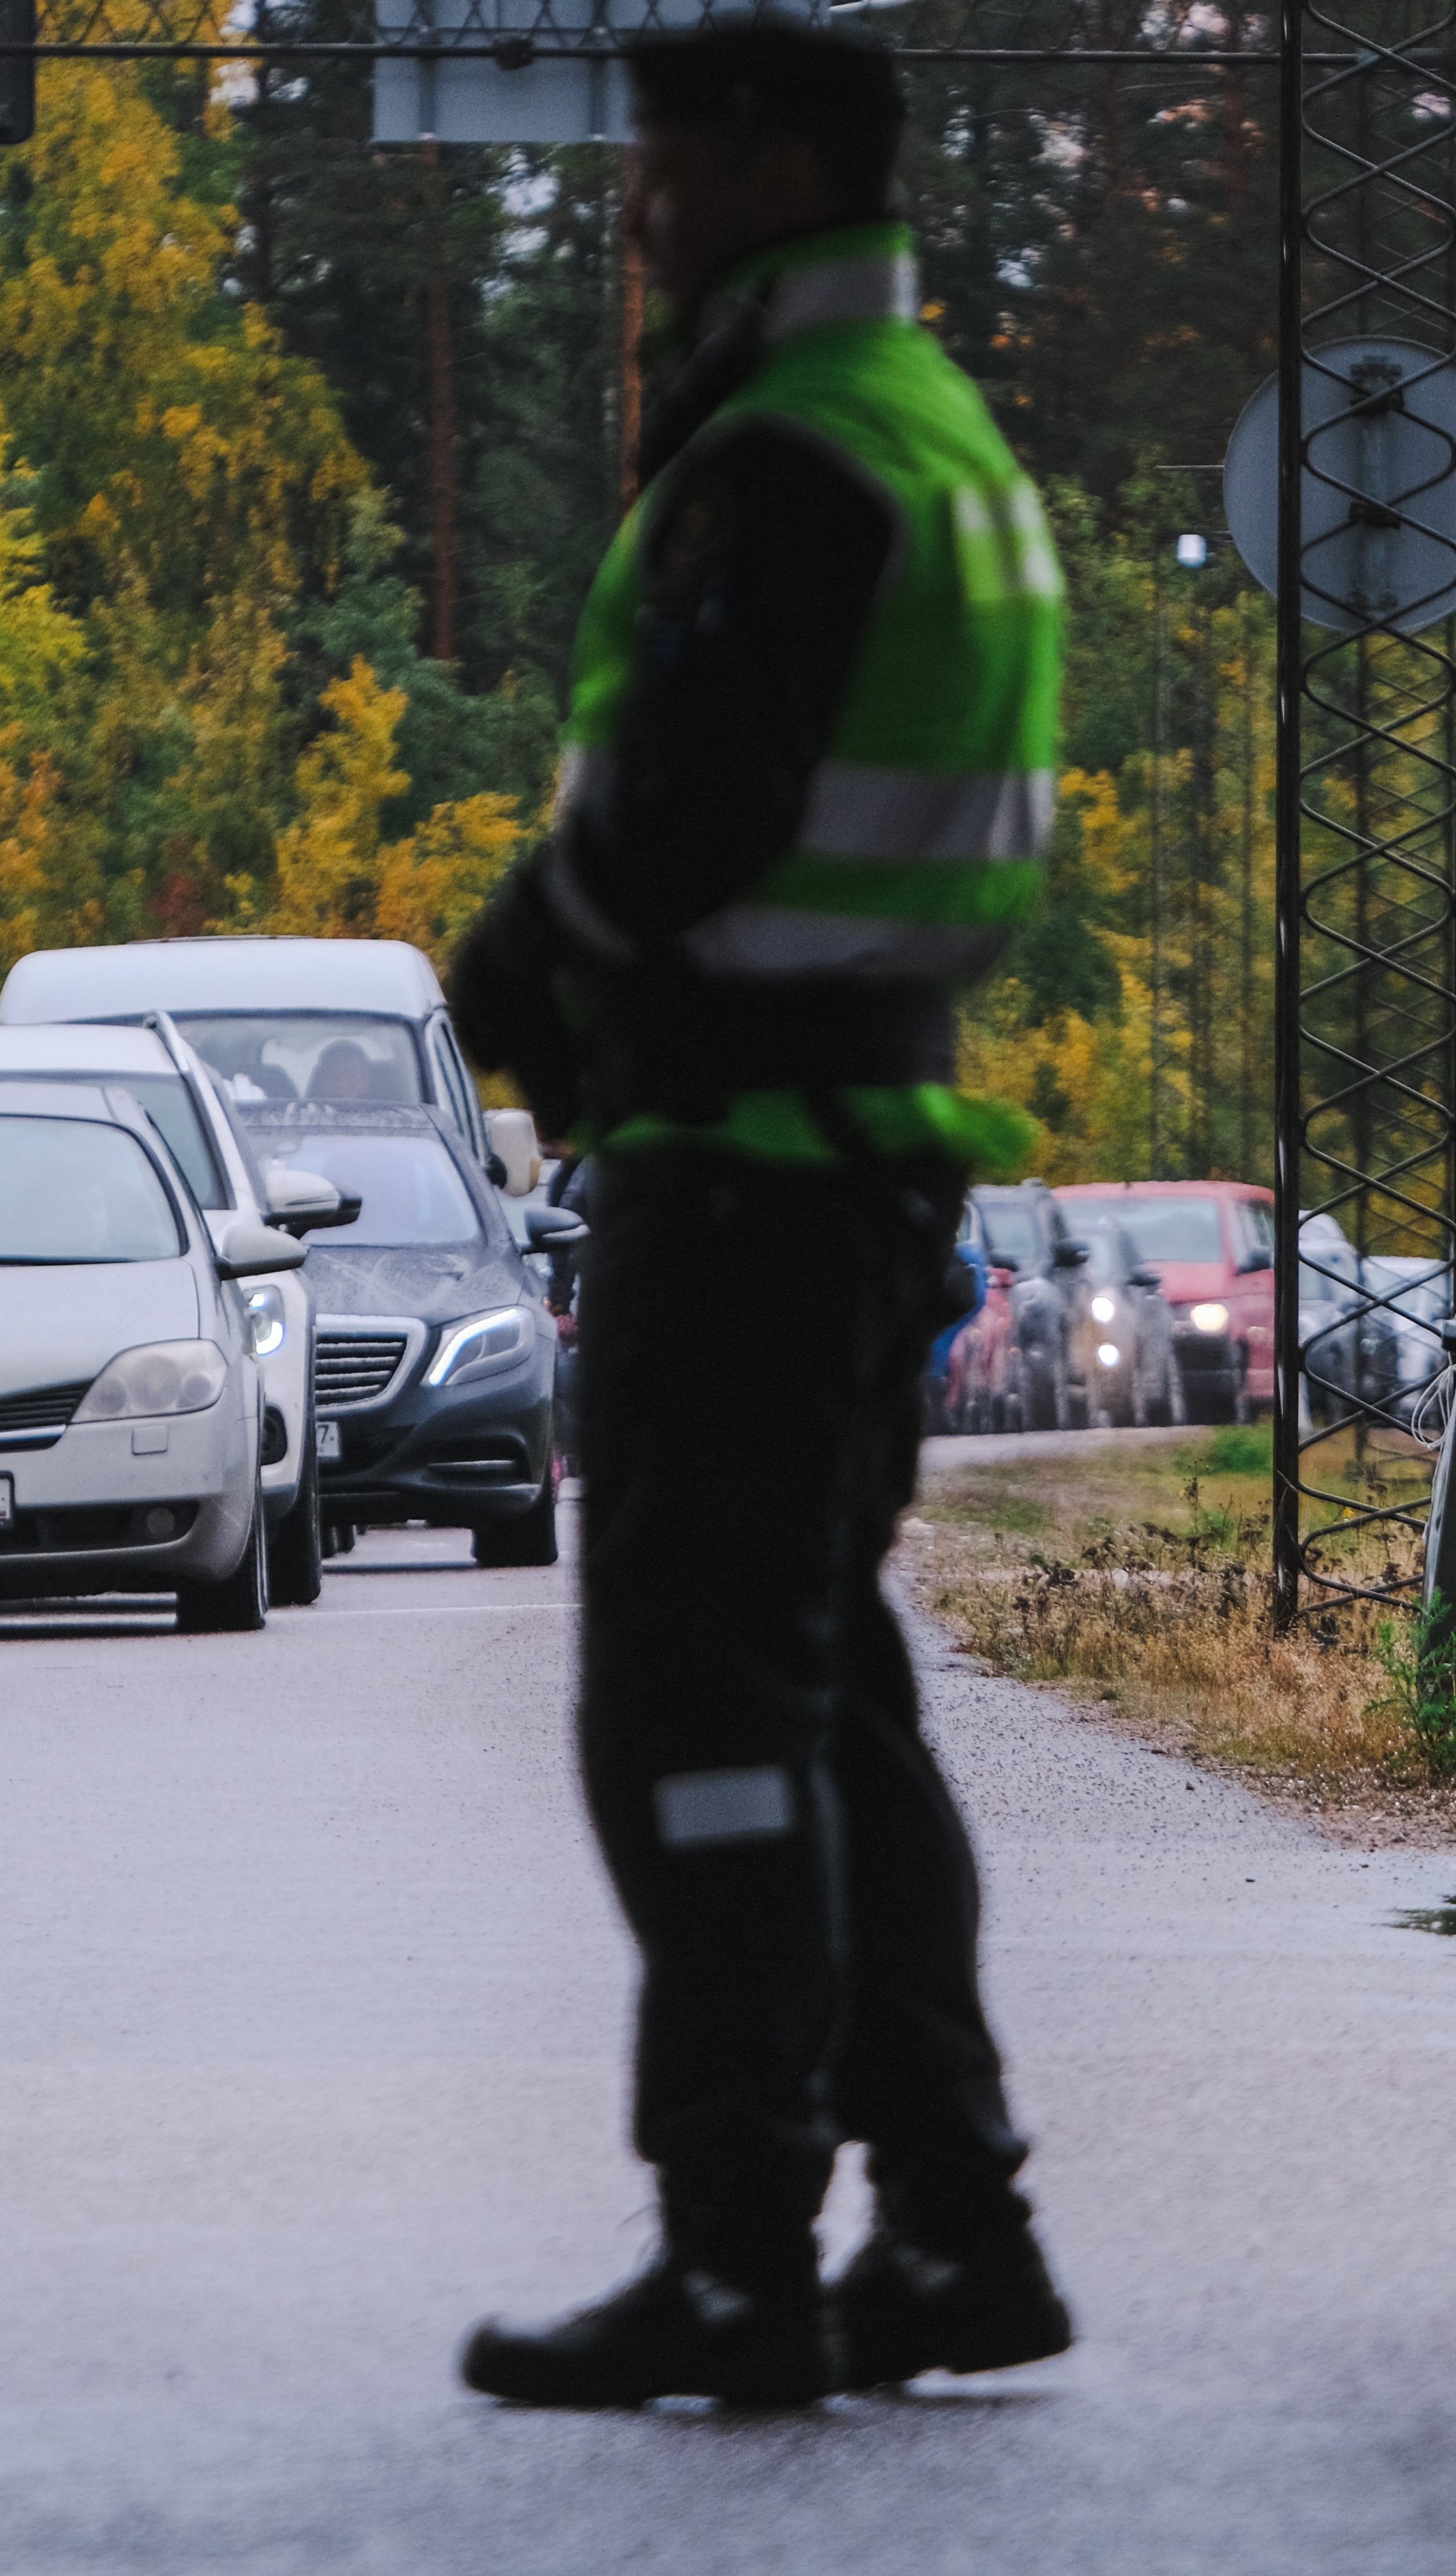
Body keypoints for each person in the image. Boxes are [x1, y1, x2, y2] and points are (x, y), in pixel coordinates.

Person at [443, 20, 1072, 2410]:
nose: (637, 213)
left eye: (668, 166)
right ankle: (957, 2224)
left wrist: (514, 977)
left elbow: (682, 817)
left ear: (782, 166)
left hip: (742, 1175)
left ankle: (736, 2257)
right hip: (863, 1163)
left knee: (698, 1730)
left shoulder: (791, 456)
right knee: (834, 1720)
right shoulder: (937, 434)